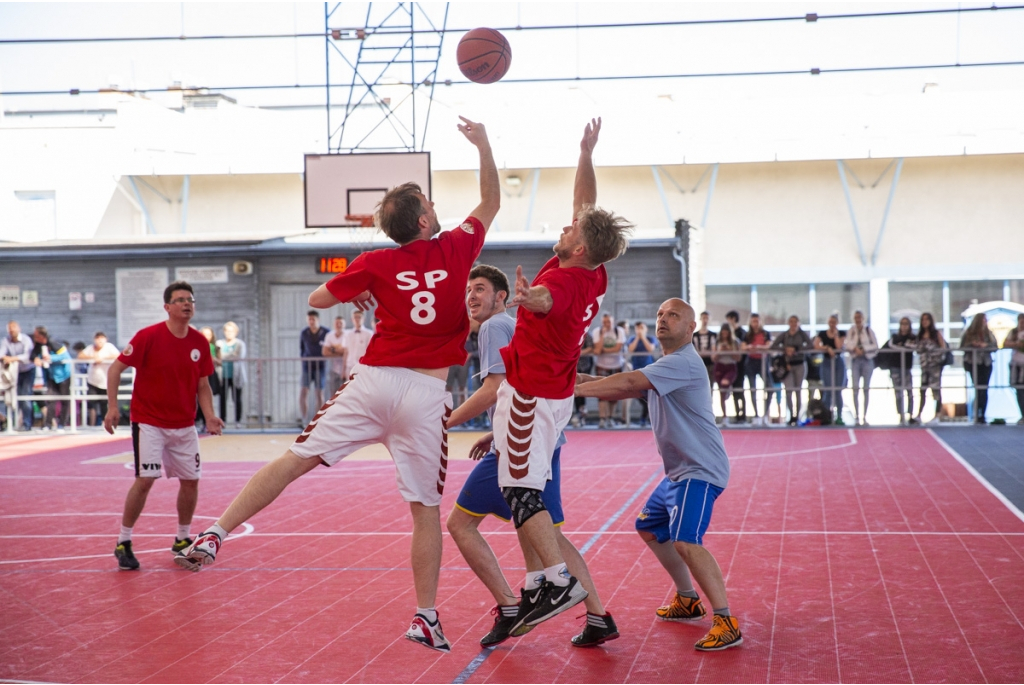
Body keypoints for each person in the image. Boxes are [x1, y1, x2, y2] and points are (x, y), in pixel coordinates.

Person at [175, 115, 499, 655]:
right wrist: (483, 143)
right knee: (424, 512)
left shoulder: (375, 261)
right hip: (424, 395)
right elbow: (489, 199)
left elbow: (316, 300)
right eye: (431, 203)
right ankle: (425, 615)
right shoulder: (456, 248)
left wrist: (356, 292)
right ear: (423, 218)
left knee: (296, 458)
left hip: (373, 382)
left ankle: (217, 532)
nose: (438, 208)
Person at [496, 117, 632, 638]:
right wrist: (585, 153)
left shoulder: (568, 283)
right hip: (549, 395)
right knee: (522, 494)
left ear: (577, 247)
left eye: (571, 228)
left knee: (521, 494)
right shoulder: (592, 266)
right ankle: (543, 584)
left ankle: (556, 581)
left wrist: (528, 299)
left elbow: (548, 300)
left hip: (531, 397)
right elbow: (586, 205)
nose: (565, 225)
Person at [445, 264, 618, 648]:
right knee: (545, 531)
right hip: (541, 435)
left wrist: (446, 422)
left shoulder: (493, 327)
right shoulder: (514, 323)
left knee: (461, 524)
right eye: (467, 290)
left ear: (502, 296)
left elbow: (494, 388)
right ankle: (597, 615)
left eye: (480, 289)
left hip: (522, 440)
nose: (471, 296)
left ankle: (513, 605)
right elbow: (515, 382)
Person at [575, 298, 742, 652]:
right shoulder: (665, 365)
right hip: (679, 472)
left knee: (686, 542)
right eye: (660, 314)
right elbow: (623, 384)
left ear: (691, 327)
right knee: (651, 527)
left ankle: (726, 621)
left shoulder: (683, 362)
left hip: (700, 471)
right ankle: (687, 599)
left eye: (673, 315)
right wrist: (569, 377)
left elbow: (627, 382)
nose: (663, 319)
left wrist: (569, 390)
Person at [102, 281, 224, 571]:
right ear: (167, 307)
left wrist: (209, 416)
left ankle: (182, 539)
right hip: (149, 422)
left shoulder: (199, 343)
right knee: (146, 480)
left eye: (190, 299)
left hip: (184, 425)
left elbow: (203, 385)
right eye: (180, 300)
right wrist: (112, 407)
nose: (186, 304)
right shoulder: (149, 336)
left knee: (191, 481)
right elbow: (115, 368)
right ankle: (124, 541)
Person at [771, 315, 812, 425]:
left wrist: (797, 350)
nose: (793, 324)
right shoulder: (785, 335)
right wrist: (785, 350)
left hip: (800, 365)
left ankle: (797, 416)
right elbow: (773, 346)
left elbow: (810, 345)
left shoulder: (802, 334)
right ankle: (791, 416)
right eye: (791, 321)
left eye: (795, 322)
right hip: (788, 366)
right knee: (789, 391)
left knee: (798, 391)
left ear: (798, 323)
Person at [959, 313, 997, 424]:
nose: (984, 322)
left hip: (986, 363)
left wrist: (985, 346)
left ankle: (983, 414)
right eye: (983, 320)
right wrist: (973, 345)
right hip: (973, 363)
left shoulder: (989, 334)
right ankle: (976, 413)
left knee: (984, 389)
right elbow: (962, 346)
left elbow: (995, 346)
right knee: (977, 387)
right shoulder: (969, 333)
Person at [843, 310, 878, 426]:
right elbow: (847, 344)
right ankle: (857, 416)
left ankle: (865, 416)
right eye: (856, 317)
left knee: (866, 388)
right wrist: (855, 349)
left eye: (860, 317)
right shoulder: (851, 331)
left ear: (863, 318)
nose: (858, 319)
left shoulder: (868, 330)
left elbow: (875, 345)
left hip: (867, 360)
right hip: (855, 360)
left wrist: (864, 349)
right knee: (855, 388)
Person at [591, 312, 626, 428]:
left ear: (613, 321)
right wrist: (603, 335)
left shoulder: (619, 331)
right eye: (604, 322)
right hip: (602, 365)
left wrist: (602, 350)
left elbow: (618, 348)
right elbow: (597, 349)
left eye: (609, 322)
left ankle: (611, 417)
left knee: (615, 392)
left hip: (616, 365)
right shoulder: (597, 331)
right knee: (601, 392)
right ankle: (602, 418)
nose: (607, 324)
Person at [78, 331, 119, 426]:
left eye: (101, 338)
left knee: (104, 402)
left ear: (105, 339)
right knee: (91, 402)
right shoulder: (91, 348)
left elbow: (118, 355)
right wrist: (93, 357)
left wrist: (102, 358)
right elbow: (80, 356)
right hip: (93, 380)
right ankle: (92, 423)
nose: (99, 340)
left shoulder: (109, 347)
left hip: (106, 380)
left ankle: (106, 423)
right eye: (97, 338)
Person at [915, 312, 948, 425]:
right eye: (923, 319)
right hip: (924, 367)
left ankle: (937, 414)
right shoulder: (920, 335)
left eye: (927, 319)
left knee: (936, 390)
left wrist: (936, 357)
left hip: (935, 366)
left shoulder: (936, 334)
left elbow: (943, 348)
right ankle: (919, 414)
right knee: (923, 389)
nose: (925, 322)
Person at [1, 321, 36, 430]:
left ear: (19, 328)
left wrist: (12, 358)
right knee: (9, 397)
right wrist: (5, 358)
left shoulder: (26, 340)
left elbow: (27, 356)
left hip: (27, 371)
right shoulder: (5, 340)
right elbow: (1, 353)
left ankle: (27, 424)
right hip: (12, 372)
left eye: (14, 328)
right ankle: (9, 423)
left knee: (25, 396)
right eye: (10, 329)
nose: (12, 331)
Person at [813, 314, 847, 426]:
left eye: (834, 322)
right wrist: (827, 348)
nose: (832, 324)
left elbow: (838, 346)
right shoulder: (822, 333)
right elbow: (816, 345)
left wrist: (835, 335)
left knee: (837, 390)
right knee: (827, 390)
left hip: (838, 362)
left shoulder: (842, 333)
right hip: (827, 362)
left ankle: (839, 416)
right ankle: (826, 416)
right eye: (830, 322)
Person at [742, 314, 774, 425]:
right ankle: (756, 416)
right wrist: (750, 347)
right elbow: (743, 346)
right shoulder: (747, 335)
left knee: (770, 388)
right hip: (751, 362)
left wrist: (759, 347)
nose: (755, 323)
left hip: (763, 362)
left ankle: (764, 415)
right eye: (753, 321)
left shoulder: (766, 333)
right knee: (752, 389)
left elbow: (769, 346)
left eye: (757, 321)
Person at [884, 317, 917, 425]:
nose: (904, 326)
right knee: (898, 392)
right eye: (902, 324)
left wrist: (902, 346)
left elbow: (913, 347)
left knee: (910, 391)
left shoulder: (913, 337)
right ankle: (901, 414)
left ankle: (911, 414)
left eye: (906, 324)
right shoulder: (895, 337)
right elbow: (891, 346)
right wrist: (903, 347)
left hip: (907, 367)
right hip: (895, 367)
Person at [298, 311, 329, 426]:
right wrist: (304, 360)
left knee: (319, 392)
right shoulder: (304, 333)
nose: (311, 322)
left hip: (320, 366)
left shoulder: (326, 332)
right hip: (307, 366)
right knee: (303, 390)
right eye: (309, 319)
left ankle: (318, 421)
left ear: (318, 320)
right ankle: (304, 419)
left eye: (313, 319)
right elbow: (302, 349)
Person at [627, 321, 659, 426]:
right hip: (636, 370)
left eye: (641, 328)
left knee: (649, 395)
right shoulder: (632, 339)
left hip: (649, 370)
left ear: (645, 329)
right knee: (639, 395)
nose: (639, 330)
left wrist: (643, 337)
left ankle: (644, 419)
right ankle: (645, 418)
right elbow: (630, 349)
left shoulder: (650, 338)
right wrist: (637, 337)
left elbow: (650, 349)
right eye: (637, 328)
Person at [218, 321, 246, 424]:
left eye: (231, 331)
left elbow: (238, 356)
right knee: (222, 399)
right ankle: (223, 420)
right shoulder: (219, 343)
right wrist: (230, 355)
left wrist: (225, 356)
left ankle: (238, 421)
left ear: (236, 332)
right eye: (227, 331)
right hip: (223, 375)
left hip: (236, 375)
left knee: (237, 398)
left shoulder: (240, 344)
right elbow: (219, 357)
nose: (229, 333)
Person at [711, 324, 741, 424]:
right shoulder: (717, 341)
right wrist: (720, 351)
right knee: (721, 393)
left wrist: (729, 350)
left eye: (726, 332)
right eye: (723, 332)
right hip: (719, 366)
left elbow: (738, 358)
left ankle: (728, 390)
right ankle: (724, 417)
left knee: (725, 384)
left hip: (731, 366)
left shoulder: (735, 342)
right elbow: (713, 358)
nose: (724, 334)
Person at [724, 311, 748, 423]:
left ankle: (742, 415)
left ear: (733, 319)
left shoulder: (742, 332)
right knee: (733, 392)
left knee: (740, 390)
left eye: (729, 319)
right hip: (729, 366)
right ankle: (737, 414)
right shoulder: (727, 333)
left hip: (740, 365)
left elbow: (742, 348)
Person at [196, 327, 221, 428]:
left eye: (209, 334)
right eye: (204, 334)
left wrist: (213, 358)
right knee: (198, 397)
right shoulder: (198, 345)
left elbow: (219, 361)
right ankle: (198, 420)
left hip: (210, 373)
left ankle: (207, 419)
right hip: (198, 373)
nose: (207, 336)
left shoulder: (215, 347)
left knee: (207, 394)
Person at [572, 330, 595, 427]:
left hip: (585, 366)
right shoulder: (570, 333)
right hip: (573, 367)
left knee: (583, 391)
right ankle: (578, 413)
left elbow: (591, 348)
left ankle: (582, 414)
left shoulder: (587, 335)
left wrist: (578, 352)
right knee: (574, 392)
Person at [343, 310, 374, 379]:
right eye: (355, 317)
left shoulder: (369, 333)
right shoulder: (348, 334)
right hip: (350, 366)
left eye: (359, 317)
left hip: (363, 366)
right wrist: (344, 369)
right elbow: (346, 352)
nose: (357, 319)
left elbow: (371, 351)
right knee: (350, 388)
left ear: (363, 319)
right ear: (352, 319)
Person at [322, 315, 348, 398]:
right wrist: (340, 351)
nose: (339, 325)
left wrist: (332, 349)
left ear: (344, 324)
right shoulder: (329, 335)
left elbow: (346, 350)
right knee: (333, 393)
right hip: (333, 368)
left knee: (346, 393)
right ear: (334, 324)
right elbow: (325, 352)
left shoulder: (348, 335)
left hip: (346, 368)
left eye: (341, 323)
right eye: (337, 323)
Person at [1005, 313, 1024, 424]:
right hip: (1016, 365)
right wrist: (1016, 344)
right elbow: (1005, 343)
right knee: (1019, 389)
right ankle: (1022, 414)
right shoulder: (1013, 332)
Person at [693, 311, 717, 388]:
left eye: (707, 318)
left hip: (710, 363)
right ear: (700, 319)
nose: (705, 320)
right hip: (698, 363)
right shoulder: (694, 335)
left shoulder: (713, 335)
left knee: (710, 384)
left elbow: (714, 348)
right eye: (704, 318)